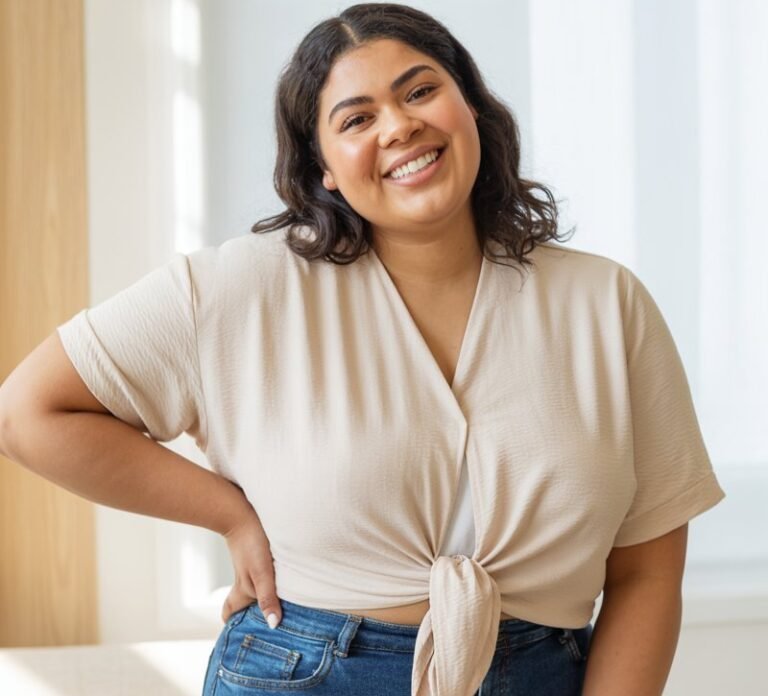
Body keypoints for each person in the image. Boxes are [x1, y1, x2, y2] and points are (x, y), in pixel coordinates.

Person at [0, 3, 726, 695]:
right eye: (357, 118)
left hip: (546, 671)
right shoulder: (240, 287)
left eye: (421, 91)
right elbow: (27, 414)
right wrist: (226, 511)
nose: (400, 126)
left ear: (470, 106)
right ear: (323, 166)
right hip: (307, 670)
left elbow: (646, 573)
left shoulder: (608, 304)